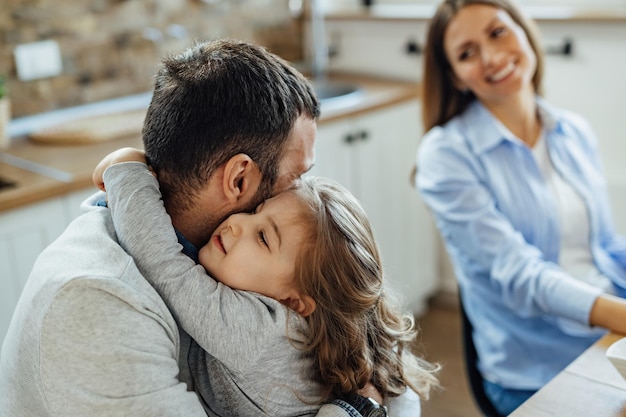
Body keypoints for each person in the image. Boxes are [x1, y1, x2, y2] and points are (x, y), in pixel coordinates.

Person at [0, 38, 402, 417]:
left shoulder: (249, 268)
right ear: (239, 179)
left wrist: (128, 169)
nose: (300, 192)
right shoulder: (101, 306)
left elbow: (389, 364)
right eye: (297, 175)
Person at [92, 148, 439, 416]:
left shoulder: (257, 332)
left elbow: (161, 260)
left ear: (295, 301)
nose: (236, 223)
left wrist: (126, 168)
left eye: (262, 238)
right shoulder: (319, 327)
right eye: (256, 211)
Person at [414, 1, 626, 415]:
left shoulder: (572, 130)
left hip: (607, 334)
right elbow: (521, 274)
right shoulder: (446, 154)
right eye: (466, 53)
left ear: (525, 32)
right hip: (536, 366)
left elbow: (603, 244)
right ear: (454, 77)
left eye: (497, 32)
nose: (492, 57)